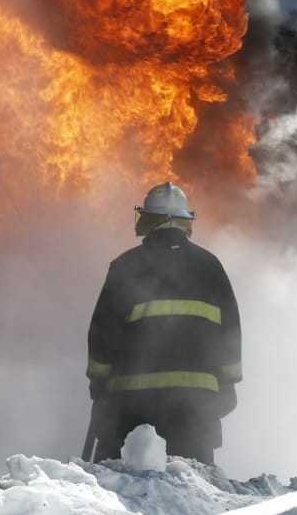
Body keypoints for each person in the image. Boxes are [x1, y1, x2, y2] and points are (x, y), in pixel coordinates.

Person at [83, 181, 242, 464]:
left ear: (148, 220)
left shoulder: (126, 265)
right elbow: (229, 330)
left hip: (131, 403)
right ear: (185, 222)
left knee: (121, 485)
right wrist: (229, 384)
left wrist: (99, 385)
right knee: (193, 489)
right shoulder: (210, 266)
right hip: (196, 404)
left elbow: (103, 332)